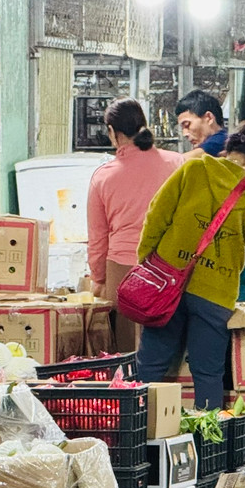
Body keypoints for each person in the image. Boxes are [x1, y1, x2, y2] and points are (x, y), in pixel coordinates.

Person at [134, 123, 245, 409]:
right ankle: (205, 443)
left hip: (167, 282)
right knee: (208, 373)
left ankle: (140, 433)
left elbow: (156, 216)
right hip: (215, 292)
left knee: (149, 368)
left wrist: (147, 263)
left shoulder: (192, 171)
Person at [86, 98, 183, 350]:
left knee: (128, 350)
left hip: (123, 270)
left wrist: (98, 279)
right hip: (170, 265)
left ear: (112, 132)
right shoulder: (177, 164)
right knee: (169, 345)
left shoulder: (103, 176)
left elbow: (98, 237)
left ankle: (131, 387)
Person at [174, 90, 227, 160]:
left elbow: (180, 161)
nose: (185, 134)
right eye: (182, 128)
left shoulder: (223, 140)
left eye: (187, 125)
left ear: (209, 118)